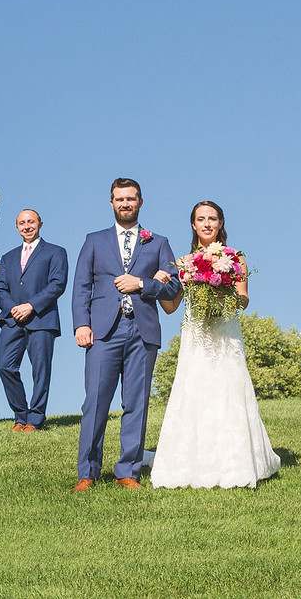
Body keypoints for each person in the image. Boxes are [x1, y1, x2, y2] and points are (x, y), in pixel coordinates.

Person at [149, 200, 280, 488]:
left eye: (212, 218)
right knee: (194, 389)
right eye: (201, 219)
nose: (207, 223)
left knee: (229, 388)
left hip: (225, 332)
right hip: (196, 335)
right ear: (193, 225)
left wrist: (222, 294)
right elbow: (170, 307)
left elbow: (243, 299)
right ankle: (191, 464)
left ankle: (236, 462)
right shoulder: (184, 262)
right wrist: (158, 284)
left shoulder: (235, 258)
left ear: (220, 224)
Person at [72, 178, 181, 491]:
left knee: (137, 403)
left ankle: (128, 471)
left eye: (130, 199)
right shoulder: (94, 241)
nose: (125, 204)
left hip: (142, 332)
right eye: (119, 199)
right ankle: (87, 472)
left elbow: (175, 287)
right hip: (103, 332)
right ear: (111, 203)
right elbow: (81, 286)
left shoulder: (158, 243)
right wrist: (81, 324)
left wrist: (143, 284)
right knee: (95, 402)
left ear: (140, 202)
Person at [0, 209, 67, 432]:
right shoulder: (7, 257)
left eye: (31, 222)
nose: (27, 226)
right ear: (17, 227)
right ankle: (20, 415)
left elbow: (57, 284)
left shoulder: (55, 252)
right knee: (5, 366)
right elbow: (1, 289)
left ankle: (35, 419)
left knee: (40, 371)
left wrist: (31, 306)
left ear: (40, 224)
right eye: (22, 223)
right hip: (12, 320)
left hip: (42, 319)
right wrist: (13, 309)